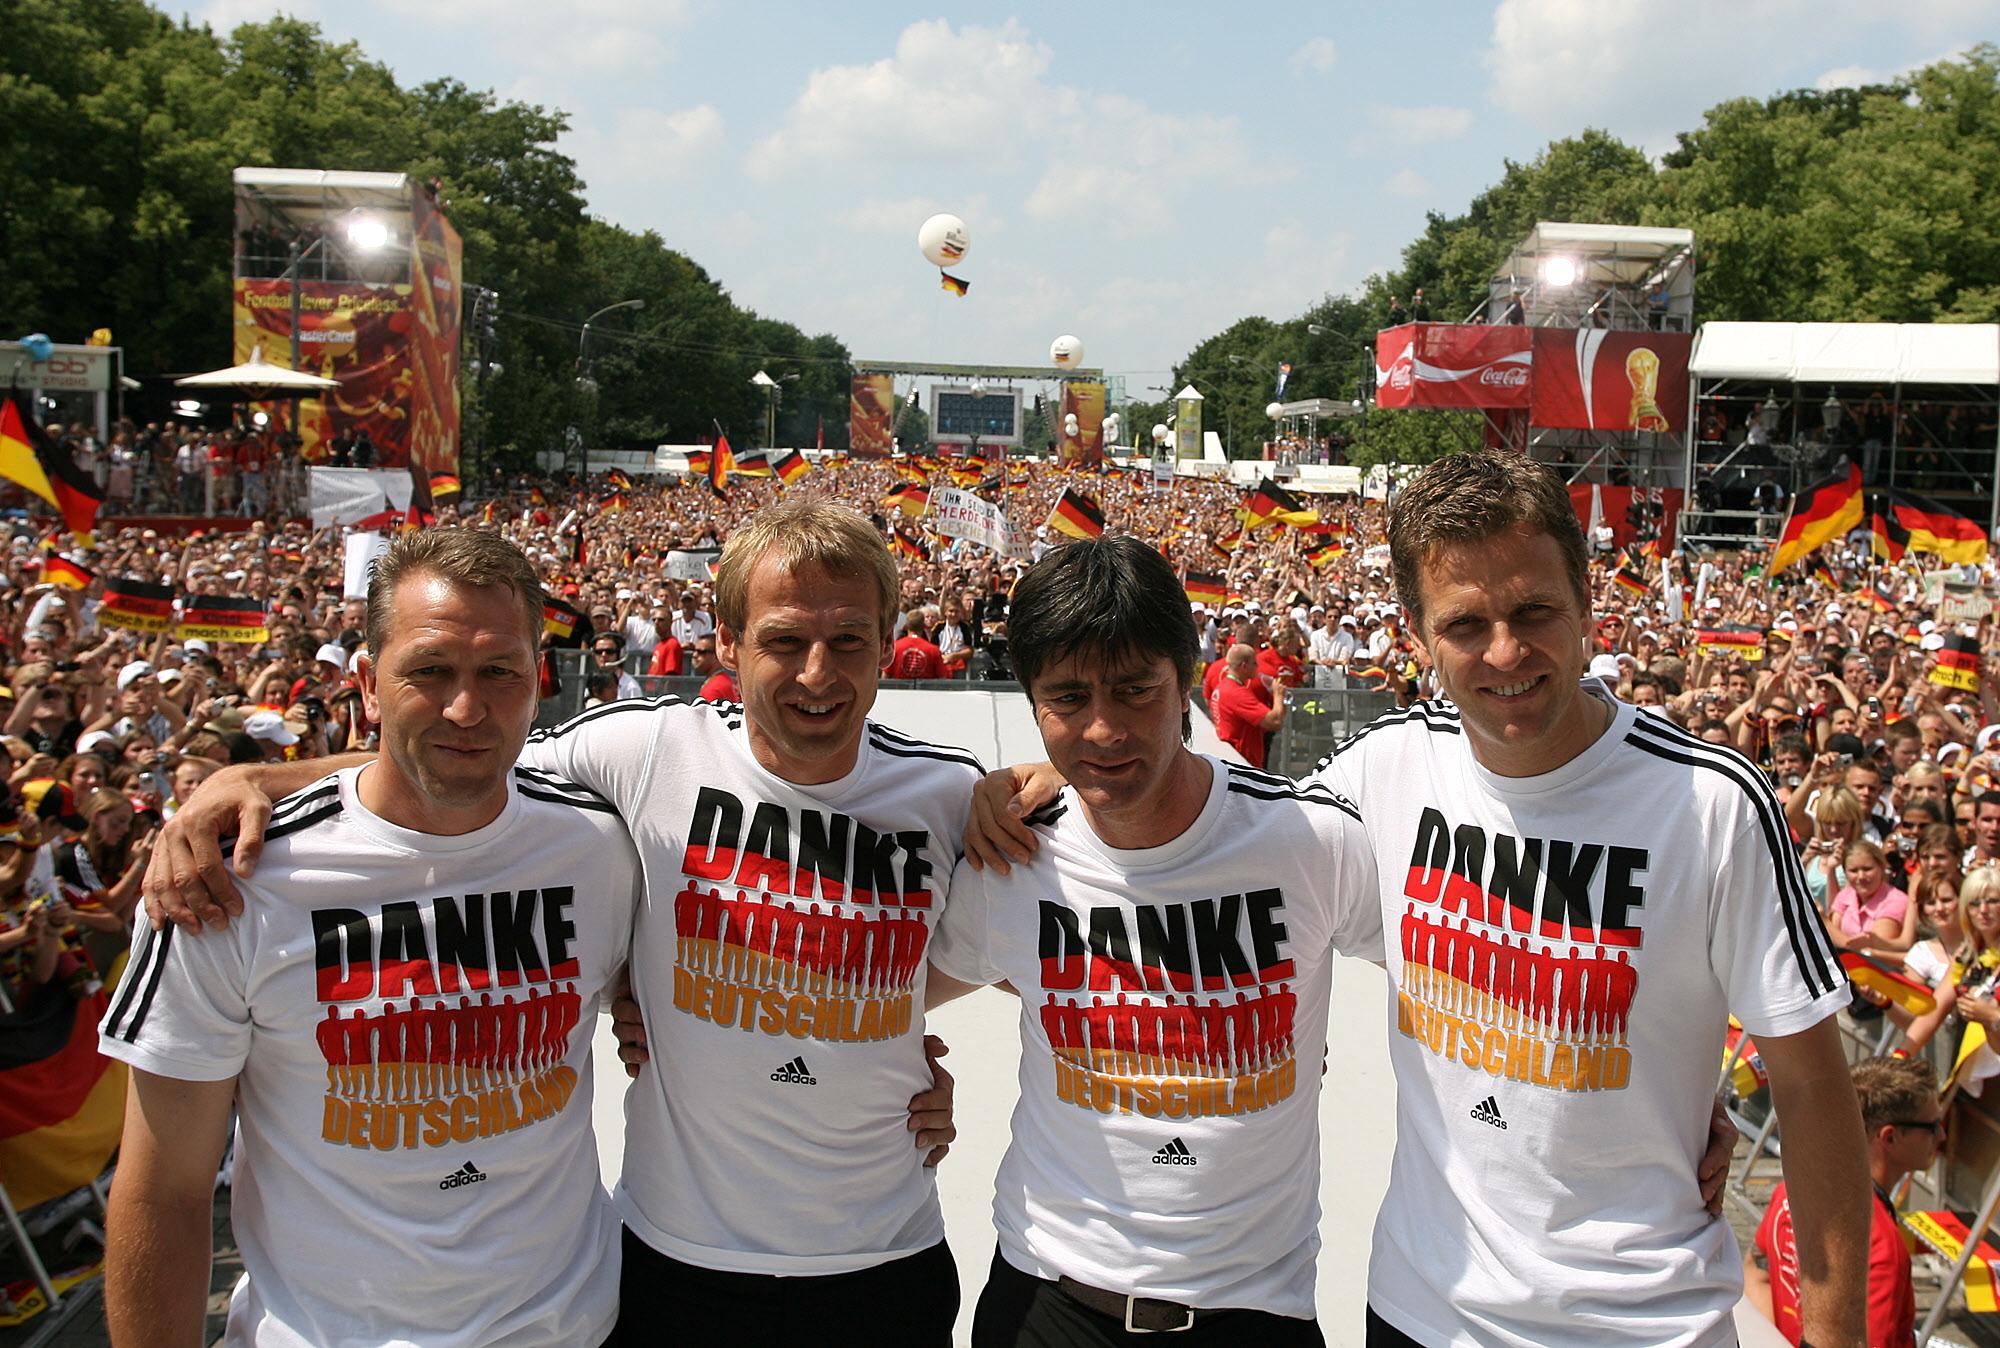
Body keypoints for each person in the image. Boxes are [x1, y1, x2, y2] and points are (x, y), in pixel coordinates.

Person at [970, 449, 1869, 1347]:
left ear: (1589, 607)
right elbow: (1194, 859)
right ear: (1416, 633)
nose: (1506, 652)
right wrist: (1086, 767)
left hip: (1642, 1322)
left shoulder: (1712, 804)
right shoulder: (1384, 771)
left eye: (1535, 611)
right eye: (1467, 624)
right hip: (1421, 1312)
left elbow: (1816, 1090)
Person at [142, 501, 967, 1346]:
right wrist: (254, 780)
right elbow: (459, 759)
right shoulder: (640, 755)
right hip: (669, 1267)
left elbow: (1024, 933)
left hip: (876, 1264)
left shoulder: (951, 798)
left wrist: (884, 1030)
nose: (817, 673)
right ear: (728, 642)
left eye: (849, 641)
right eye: (786, 641)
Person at [101, 528, 643, 1347]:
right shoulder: (228, 882)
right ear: (367, 685)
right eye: (430, 672)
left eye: (499, 672)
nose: (468, 707)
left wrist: (899, 1083)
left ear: (540, 683)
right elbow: (163, 1193)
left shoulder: (601, 847)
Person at [927, 536, 1380, 1343]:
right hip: (1047, 1306)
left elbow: (1467, 973)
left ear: (1185, 685)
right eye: (1068, 698)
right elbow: (878, 985)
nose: (1105, 729)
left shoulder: (1312, 843)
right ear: (1032, 702)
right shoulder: (1014, 859)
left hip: (1255, 1312)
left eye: (1136, 690)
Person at [1745, 1056, 1935, 1348]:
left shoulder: (1791, 1191)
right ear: (1890, 1137)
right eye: (1933, 1126)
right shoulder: (1882, 1245)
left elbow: (1756, 1269)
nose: (1943, 1135)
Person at [1210, 643, 1284, 769]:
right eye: (1254, 663)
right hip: (1243, 764)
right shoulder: (1236, 693)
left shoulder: (1223, 687)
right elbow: (1275, 721)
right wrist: (1278, 696)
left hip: (1234, 761)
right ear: (1244, 666)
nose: (1257, 667)